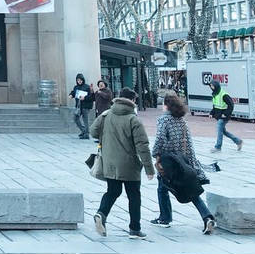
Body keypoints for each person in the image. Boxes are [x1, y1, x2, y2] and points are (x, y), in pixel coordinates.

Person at [90, 87, 155, 240]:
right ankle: (135, 229)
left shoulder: (106, 115)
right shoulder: (133, 119)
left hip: (110, 162)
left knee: (112, 191)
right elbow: (142, 146)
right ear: (132, 101)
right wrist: (149, 168)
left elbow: (93, 131)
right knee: (134, 195)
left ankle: (101, 213)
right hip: (129, 164)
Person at [150, 93, 216, 234]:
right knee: (191, 191)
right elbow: (189, 144)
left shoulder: (164, 120)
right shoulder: (182, 121)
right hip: (182, 161)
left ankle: (165, 218)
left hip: (168, 161)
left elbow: (160, 138)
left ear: (166, 105)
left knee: (162, 188)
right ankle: (207, 217)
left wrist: (154, 152)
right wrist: (192, 164)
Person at [208, 80, 243, 153]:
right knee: (223, 131)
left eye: (212, 86)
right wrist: (212, 113)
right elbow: (215, 106)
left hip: (223, 117)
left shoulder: (224, 95)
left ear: (216, 86)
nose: (211, 87)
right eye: (211, 86)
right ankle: (238, 141)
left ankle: (218, 147)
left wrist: (226, 114)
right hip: (218, 115)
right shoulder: (215, 94)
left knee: (219, 131)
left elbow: (231, 105)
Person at [69, 73, 94, 139]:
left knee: (85, 119)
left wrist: (84, 98)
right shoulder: (76, 87)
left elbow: (91, 97)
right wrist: (71, 95)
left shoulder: (87, 87)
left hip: (85, 105)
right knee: (75, 118)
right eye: (78, 80)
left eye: (80, 80)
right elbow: (74, 92)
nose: (79, 81)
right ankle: (84, 130)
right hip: (79, 106)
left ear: (83, 80)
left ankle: (86, 134)